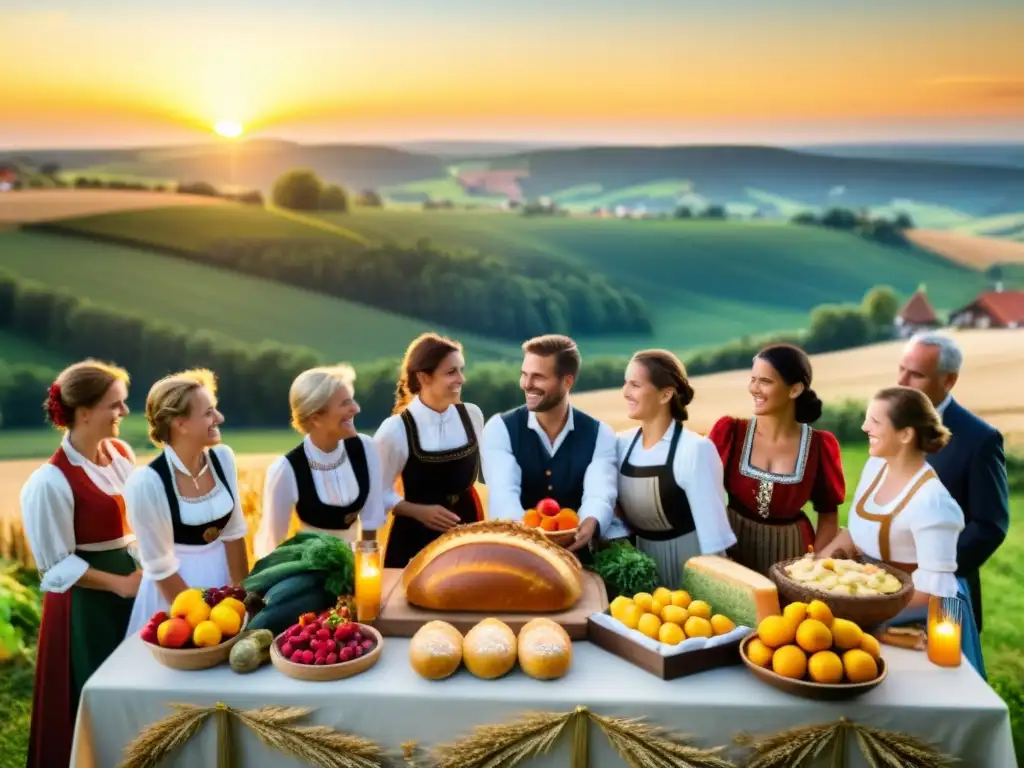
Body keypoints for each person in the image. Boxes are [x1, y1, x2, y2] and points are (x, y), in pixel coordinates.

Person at [19, 360, 140, 768]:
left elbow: (135, 524)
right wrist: (119, 584)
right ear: (84, 412)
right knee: (92, 691)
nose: (124, 412)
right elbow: (55, 567)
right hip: (85, 609)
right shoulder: (50, 481)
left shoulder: (121, 453)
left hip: (132, 594)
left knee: (133, 691)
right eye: (115, 404)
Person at [817, 386, 985, 676]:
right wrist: (819, 565)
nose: (864, 426)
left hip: (911, 621)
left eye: (875, 421)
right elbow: (858, 532)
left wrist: (859, 611)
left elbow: (934, 592)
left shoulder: (932, 503)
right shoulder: (875, 466)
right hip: (862, 598)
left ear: (906, 434)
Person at [897, 331, 1008, 633]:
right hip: (884, 584)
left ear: (948, 381)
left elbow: (990, 526)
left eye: (916, 374)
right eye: (901, 369)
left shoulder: (980, 439)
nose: (902, 382)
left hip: (943, 596)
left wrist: (931, 571)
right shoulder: (890, 421)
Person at [124, 369, 249, 636]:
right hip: (175, 596)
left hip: (223, 585)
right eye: (208, 413)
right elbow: (161, 568)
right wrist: (202, 622)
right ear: (180, 423)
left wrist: (240, 599)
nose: (219, 418)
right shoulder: (147, 483)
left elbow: (234, 534)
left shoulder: (223, 459)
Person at [708, 343, 845, 576]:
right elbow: (703, 497)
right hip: (731, 552)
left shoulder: (818, 446)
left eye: (765, 381)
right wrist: (715, 553)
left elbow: (828, 514)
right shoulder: (731, 433)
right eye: (753, 379)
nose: (754, 388)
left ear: (794, 390)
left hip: (792, 558)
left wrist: (815, 566)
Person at [481, 334, 618, 557]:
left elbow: (599, 492)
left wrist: (591, 520)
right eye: (524, 375)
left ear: (567, 382)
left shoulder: (600, 433)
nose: (526, 384)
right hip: (518, 553)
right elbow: (504, 492)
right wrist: (529, 540)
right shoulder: (499, 428)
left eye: (538, 377)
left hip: (578, 555)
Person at [609, 350, 736, 588]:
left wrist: (719, 588)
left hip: (691, 568)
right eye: (625, 383)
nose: (625, 392)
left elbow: (713, 536)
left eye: (635, 384)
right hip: (640, 568)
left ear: (666, 394)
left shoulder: (695, 449)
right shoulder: (620, 444)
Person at [374, 333, 485, 568]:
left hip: (468, 530)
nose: (461, 379)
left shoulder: (472, 415)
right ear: (424, 377)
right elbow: (375, 493)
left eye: (461, 370)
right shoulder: (396, 429)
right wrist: (417, 511)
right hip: (416, 539)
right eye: (451, 372)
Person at [254, 365, 386, 558]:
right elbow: (271, 544)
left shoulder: (366, 448)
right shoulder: (286, 469)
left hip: (356, 572)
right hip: (309, 572)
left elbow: (371, 520)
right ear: (316, 418)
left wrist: (364, 569)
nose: (356, 408)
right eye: (345, 403)